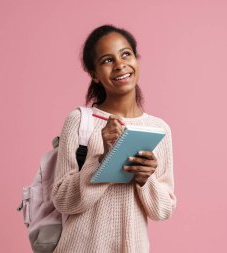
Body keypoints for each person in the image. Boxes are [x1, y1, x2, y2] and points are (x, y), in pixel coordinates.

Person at [52, 24, 176, 253]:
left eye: (126, 54)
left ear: (137, 59)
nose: (120, 65)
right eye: (107, 60)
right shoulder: (80, 121)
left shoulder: (159, 129)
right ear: (94, 74)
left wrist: (145, 179)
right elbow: (62, 200)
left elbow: (163, 210)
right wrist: (103, 161)